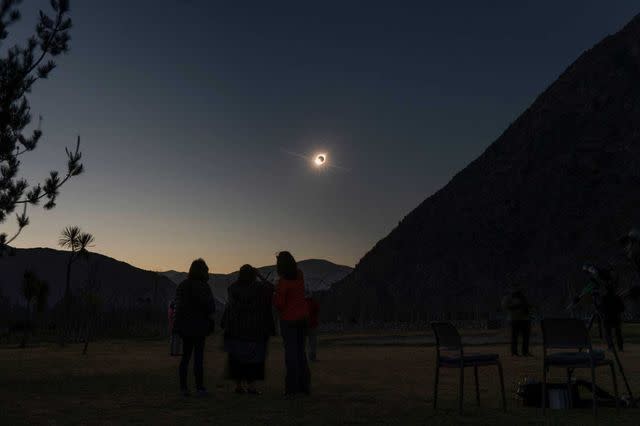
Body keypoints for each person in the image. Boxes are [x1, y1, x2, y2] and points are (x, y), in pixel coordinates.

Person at [222, 265, 275, 395]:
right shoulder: (259, 288)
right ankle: (251, 387)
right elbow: (272, 288)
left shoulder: (232, 288)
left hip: (236, 329)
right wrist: (260, 276)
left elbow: (230, 308)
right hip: (255, 329)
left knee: (237, 358)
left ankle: (238, 386)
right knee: (254, 359)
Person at [173, 258, 216, 397]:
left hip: (185, 327)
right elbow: (210, 307)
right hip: (200, 327)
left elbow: (177, 307)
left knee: (185, 358)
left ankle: (183, 388)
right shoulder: (204, 287)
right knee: (198, 358)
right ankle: (199, 388)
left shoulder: (182, 285)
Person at [273, 251, 310, 397]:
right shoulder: (299, 274)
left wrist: (275, 295)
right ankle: (304, 386)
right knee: (301, 353)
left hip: (288, 320)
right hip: (303, 318)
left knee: (291, 354)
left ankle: (291, 388)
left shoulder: (283, 282)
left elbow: (280, 304)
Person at [501, 285, 531, 356]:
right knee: (515, 337)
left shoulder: (522, 297)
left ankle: (524, 351)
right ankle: (515, 352)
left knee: (524, 337)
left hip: (523, 319)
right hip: (516, 319)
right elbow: (505, 306)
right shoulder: (510, 297)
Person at [602, 282, 625, 352]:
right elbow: (622, 308)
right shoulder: (617, 297)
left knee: (608, 333)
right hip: (616, 318)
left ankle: (611, 347)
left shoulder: (604, 298)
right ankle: (620, 347)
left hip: (607, 318)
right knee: (618, 333)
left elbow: (601, 308)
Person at [305, 292, 320, 361]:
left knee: (303, 342)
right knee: (312, 342)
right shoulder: (314, 302)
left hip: (303, 324)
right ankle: (312, 357)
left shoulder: (301, 303)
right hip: (312, 324)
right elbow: (317, 310)